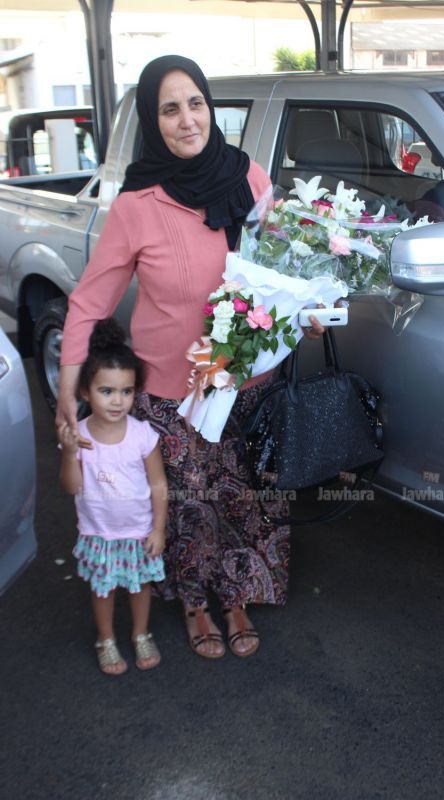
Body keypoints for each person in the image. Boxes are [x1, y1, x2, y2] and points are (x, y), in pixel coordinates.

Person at [57, 55, 325, 660]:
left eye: (196, 103)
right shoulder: (136, 205)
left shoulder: (248, 177)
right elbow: (89, 302)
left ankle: (237, 596)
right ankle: (196, 603)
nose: (187, 120)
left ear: (210, 107)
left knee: (245, 497)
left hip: (247, 383)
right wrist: (67, 394)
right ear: (153, 123)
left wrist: (306, 313)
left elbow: (285, 271)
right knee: (186, 504)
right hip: (171, 393)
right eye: (170, 109)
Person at [58, 318, 167, 676]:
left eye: (127, 391)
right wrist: (69, 453)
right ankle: (105, 638)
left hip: (138, 531)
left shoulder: (142, 435)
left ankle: (140, 634)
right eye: (106, 391)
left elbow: (158, 484)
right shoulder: (79, 436)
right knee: (103, 590)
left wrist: (158, 529)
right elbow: (71, 487)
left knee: (140, 586)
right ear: (85, 392)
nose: (118, 401)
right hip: (99, 533)